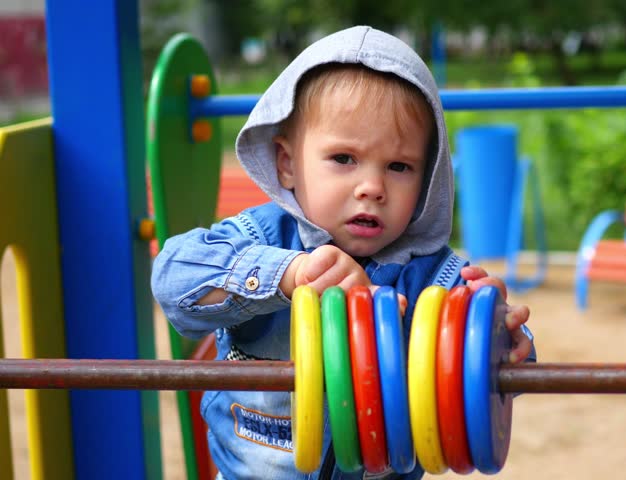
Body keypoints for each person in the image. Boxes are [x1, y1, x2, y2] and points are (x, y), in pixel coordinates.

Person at [151, 25, 535, 480]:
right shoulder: (260, 237)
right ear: (288, 164)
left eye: (399, 166)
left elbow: (488, 380)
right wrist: (287, 275)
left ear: (428, 180)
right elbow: (172, 279)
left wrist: (501, 339)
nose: (371, 187)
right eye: (344, 159)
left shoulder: (437, 279)